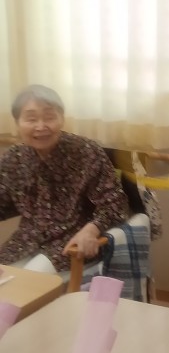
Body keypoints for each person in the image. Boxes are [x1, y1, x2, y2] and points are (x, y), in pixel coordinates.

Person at [0, 84, 129, 274]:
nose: (41, 126)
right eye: (31, 119)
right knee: (5, 277)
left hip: (74, 241)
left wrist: (91, 230)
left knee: (32, 279)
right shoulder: (14, 157)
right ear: (17, 122)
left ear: (61, 119)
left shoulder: (86, 151)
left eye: (49, 117)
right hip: (26, 240)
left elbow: (115, 204)